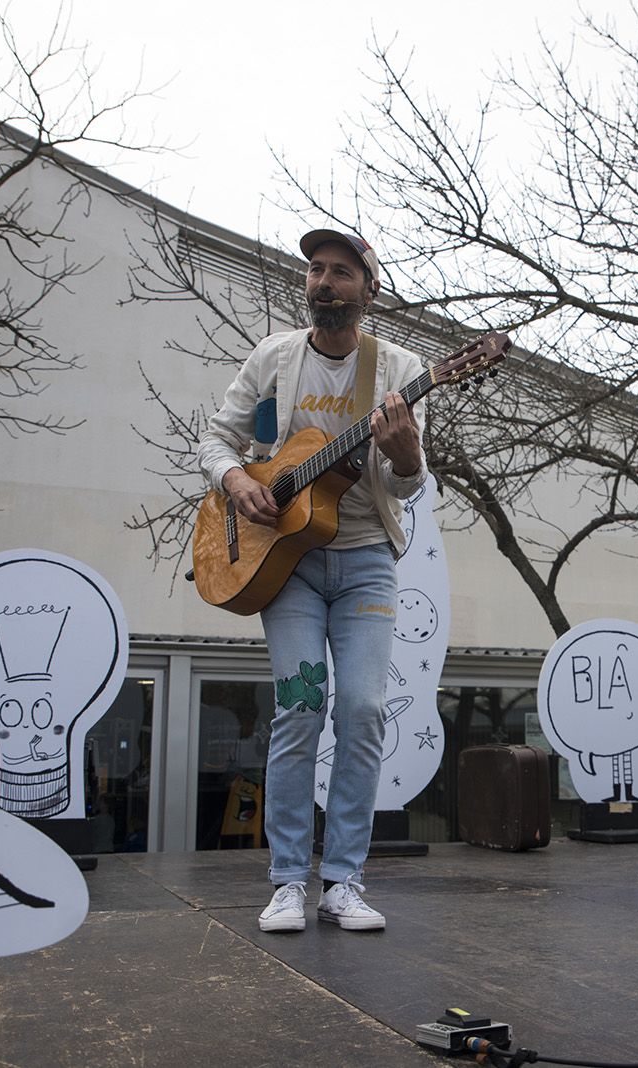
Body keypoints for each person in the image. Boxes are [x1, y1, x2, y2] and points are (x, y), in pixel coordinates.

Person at [197, 228, 427, 933]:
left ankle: (344, 881)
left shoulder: (400, 368)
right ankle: (288, 880)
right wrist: (237, 481)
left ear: (369, 289)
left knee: (360, 710)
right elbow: (214, 438)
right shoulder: (274, 356)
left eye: (340, 272)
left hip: (364, 559)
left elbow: (408, 486)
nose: (323, 282)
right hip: (286, 561)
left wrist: (408, 452)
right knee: (300, 709)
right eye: (316, 271)